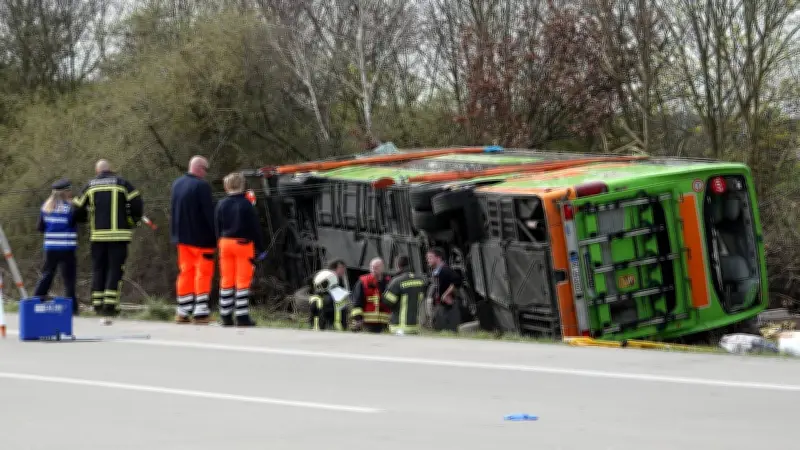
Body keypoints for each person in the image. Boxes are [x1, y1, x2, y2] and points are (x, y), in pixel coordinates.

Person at [73, 160, 143, 324]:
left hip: (98, 236)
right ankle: (110, 306)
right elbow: (137, 204)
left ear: (97, 171)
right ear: (110, 169)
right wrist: (131, 221)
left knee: (98, 269)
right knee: (115, 270)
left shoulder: (90, 185)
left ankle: (97, 304)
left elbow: (76, 208)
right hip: (119, 236)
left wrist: (85, 219)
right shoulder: (123, 184)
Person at [215, 172, 266, 327]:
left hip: (225, 243)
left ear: (226, 187)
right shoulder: (246, 205)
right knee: (242, 280)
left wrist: (219, 241)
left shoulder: (221, 204)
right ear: (243, 185)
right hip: (243, 244)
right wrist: (260, 248)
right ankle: (242, 316)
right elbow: (255, 228)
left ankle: (225, 315)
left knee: (226, 279)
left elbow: (217, 226)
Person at [170, 155, 216, 324]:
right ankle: (201, 311)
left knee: (185, 272)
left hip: (182, 238)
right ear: (199, 168)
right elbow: (208, 213)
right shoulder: (202, 186)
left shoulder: (177, 184)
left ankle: (183, 310)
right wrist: (217, 233)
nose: (206, 173)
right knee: (203, 272)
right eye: (205, 169)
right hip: (201, 239)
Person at [33, 179, 79, 315]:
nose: (71, 192)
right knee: (69, 278)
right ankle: (72, 308)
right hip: (67, 248)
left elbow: (40, 227)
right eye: (69, 190)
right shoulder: (71, 207)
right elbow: (75, 223)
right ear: (65, 192)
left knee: (47, 274)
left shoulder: (46, 207)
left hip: (51, 248)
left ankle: (36, 300)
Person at [382, 255, 425, 335]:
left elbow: (387, 301)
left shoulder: (397, 281)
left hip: (400, 327)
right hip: (415, 327)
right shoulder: (420, 280)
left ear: (398, 265)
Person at [350, 257, 392, 333]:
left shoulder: (388, 282)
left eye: (376, 267)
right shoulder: (363, 281)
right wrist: (358, 319)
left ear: (382, 268)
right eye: (372, 267)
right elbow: (357, 301)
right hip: (367, 323)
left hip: (385, 323)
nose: (373, 269)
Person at [426, 247, 461, 332]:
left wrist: (446, 294)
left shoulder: (445, 270)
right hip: (440, 306)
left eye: (430, 257)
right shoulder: (436, 272)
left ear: (438, 258)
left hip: (448, 307)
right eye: (427, 258)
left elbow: (457, 281)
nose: (428, 260)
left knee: (450, 329)